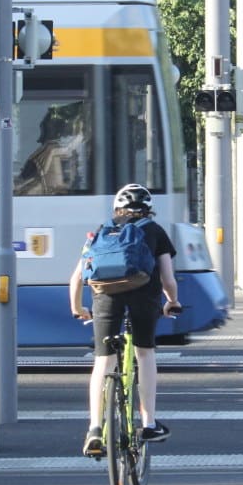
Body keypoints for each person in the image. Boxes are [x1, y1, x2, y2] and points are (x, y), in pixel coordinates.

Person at [69, 183, 181, 457]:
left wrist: (78, 308)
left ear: (116, 209)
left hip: (105, 295)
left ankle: (95, 428)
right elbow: (167, 279)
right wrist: (172, 302)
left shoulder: (101, 231)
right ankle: (149, 423)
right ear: (148, 209)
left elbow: (78, 276)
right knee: (144, 354)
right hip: (144, 297)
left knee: (103, 361)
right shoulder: (154, 231)